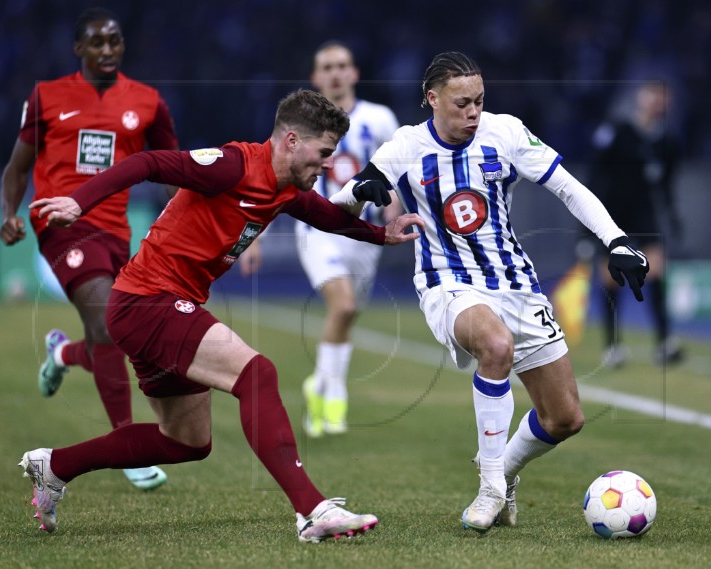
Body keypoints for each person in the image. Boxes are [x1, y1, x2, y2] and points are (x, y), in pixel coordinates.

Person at [20, 89, 424, 541]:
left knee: (187, 440)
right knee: (257, 374)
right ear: (291, 140)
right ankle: (312, 510)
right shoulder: (232, 165)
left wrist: (380, 235)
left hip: (146, 306)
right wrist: (80, 201)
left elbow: (325, 215)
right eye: (324, 152)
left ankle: (54, 466)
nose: (328, 164)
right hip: (149, 300)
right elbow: (149, 163)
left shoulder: (286, 187)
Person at [330, 52, 649, 533]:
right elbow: (336, 210)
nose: (473, 112)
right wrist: (359, 193)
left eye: (479, 101)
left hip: (516, 283)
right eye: (462, 103)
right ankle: (491, 487)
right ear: (432, 100)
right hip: (447, 282)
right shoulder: (406, 145)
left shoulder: (505, 133)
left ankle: (502, 470)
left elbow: (568, 187)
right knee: (495, 346)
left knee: (564, 418)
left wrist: (618, 240)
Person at [0, 7, 179, 490]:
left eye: (114, 42)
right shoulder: (47, 96)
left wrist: (187, 219)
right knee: (104, 322)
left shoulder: (147, 103)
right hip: (60, 223)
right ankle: (128, 446)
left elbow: (170, 172)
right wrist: (10, 213)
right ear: (78, 49)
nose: (106, 50)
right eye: (96, 43)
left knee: (121, 331)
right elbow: (19, 165)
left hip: (115, 230)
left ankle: (61, 355)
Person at [242, 41, 402, 438]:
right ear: (315, 78)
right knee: (343, 306)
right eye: (327, 67)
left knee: (346, 316)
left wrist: (394, 204)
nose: (335, 73)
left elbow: (400, 166)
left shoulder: (380, 119)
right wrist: (255, 236)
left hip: (360, 234)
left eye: (342, 65)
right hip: (317, 228)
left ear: (354, 73)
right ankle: (335, 396)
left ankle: (320, 385)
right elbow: (270, 178)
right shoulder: (300, 126)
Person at [586, 81, 684, 367]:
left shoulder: (668, 142)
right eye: (654, 95)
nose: (659, 102)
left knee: (655, 271)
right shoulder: (617, 131)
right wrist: (587, 224)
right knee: (611, 277)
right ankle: (612, 347)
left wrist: (673, 218)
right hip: (612, 213)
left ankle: (664, 342)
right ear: (641, 98)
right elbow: (596, 175)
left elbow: (666, 186)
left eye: (664, 98)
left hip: (644, 214)